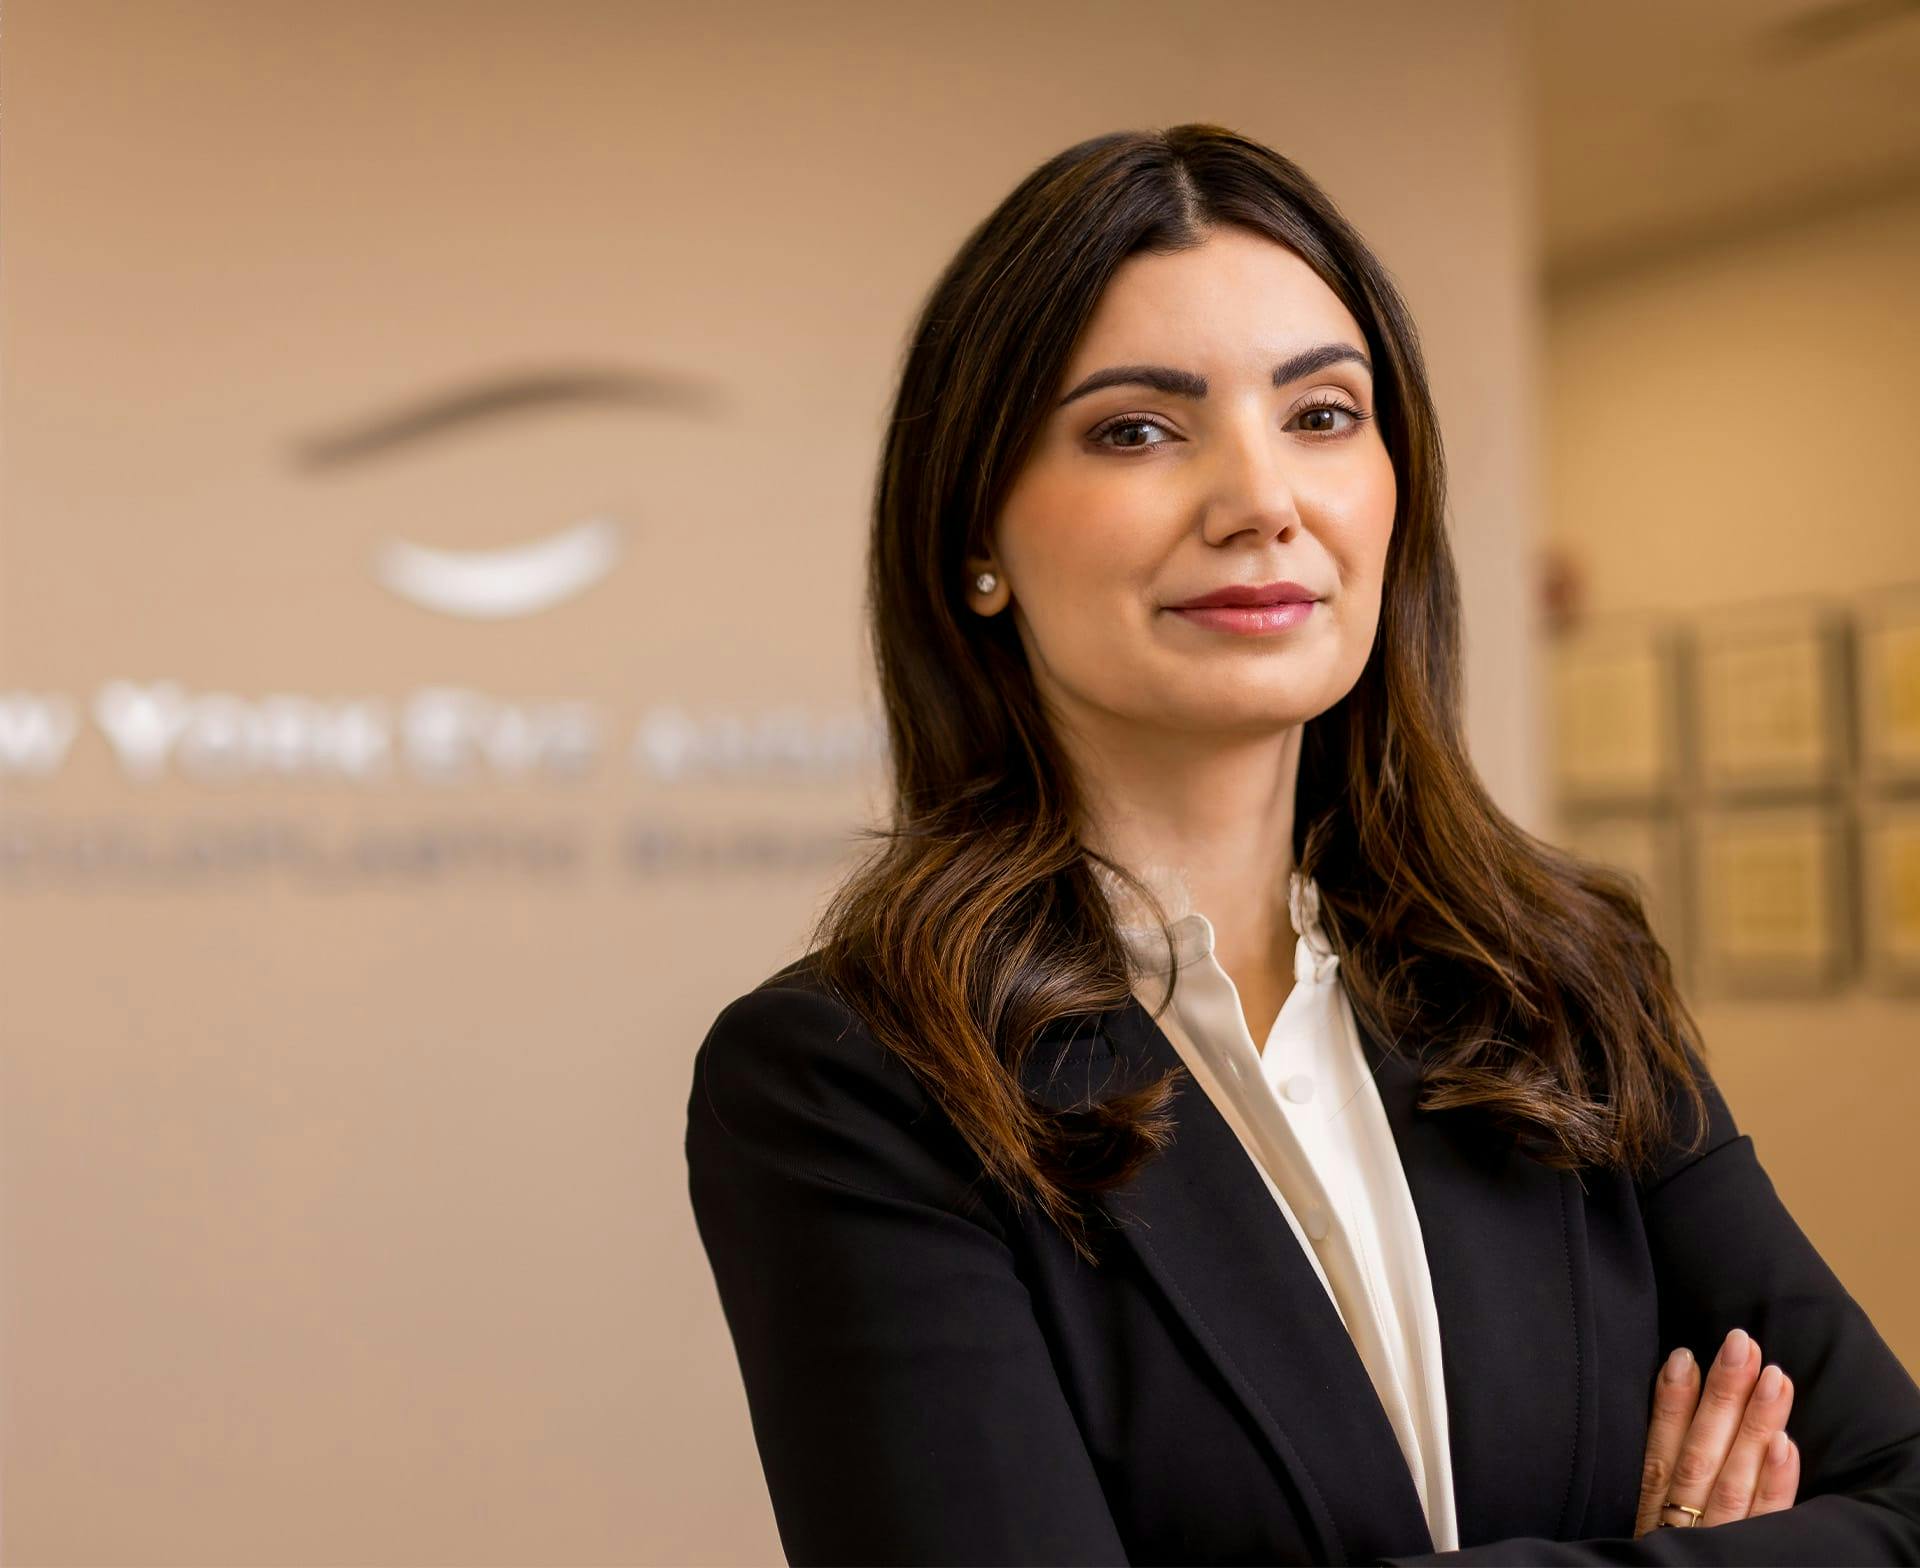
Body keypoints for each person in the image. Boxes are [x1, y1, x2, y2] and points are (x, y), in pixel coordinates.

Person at [683, 123, 1920, 1564]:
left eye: (1322, 415)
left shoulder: (1565, 980)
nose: (1262, 501)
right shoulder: (857, 1082)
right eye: (1137, 428)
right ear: (976, 535)